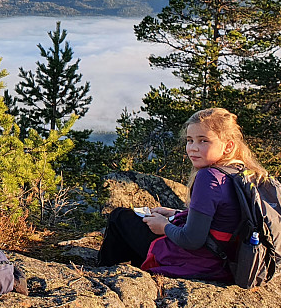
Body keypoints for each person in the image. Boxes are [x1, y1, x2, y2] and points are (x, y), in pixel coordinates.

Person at [97, 107, 267, 281]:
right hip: (226, 260)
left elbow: (192, 240)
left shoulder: (209, 177)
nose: (193, 148)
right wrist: (175, 214)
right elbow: (221, 219)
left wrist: (164, 226)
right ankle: (135, 271)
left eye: (203, 141)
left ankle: (104, 276)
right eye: (190, 140)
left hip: (201, 263)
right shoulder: (243, 172)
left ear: (228, 145)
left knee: (119, 218)